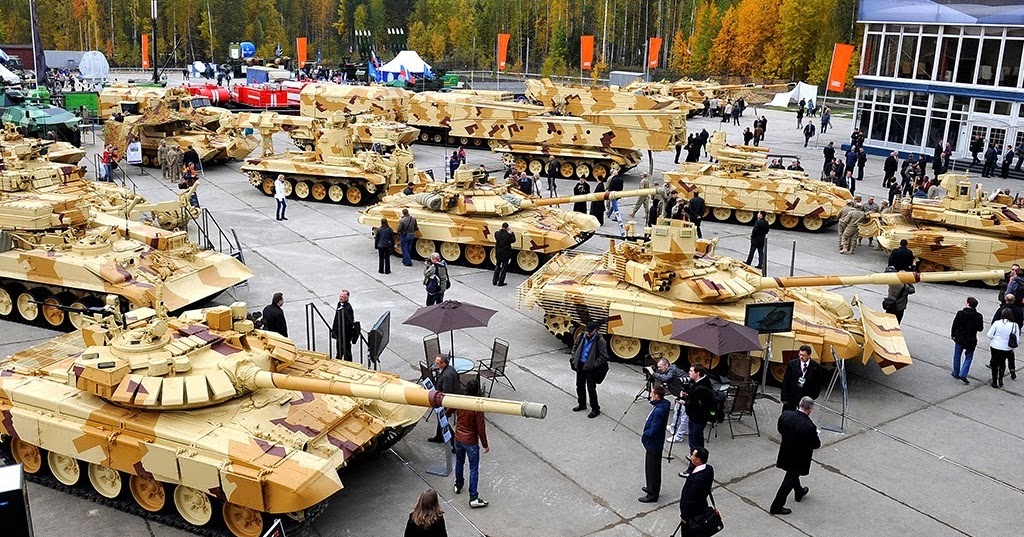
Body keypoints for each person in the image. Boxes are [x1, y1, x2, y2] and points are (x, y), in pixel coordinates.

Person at [770, 396, 821, 515]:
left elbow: (780, 429)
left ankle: (799, 491)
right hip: (799, 457)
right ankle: (776, 506)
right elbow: (816, 444)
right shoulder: (809, 426)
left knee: (792, 475)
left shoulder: (786, 415)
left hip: (785, 451)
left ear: (799, 404)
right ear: (810, 409)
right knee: (789, 479)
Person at [453, 379, 490, 508]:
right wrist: (485, 444)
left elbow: (448, 410)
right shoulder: (477, 406)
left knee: (459, 461)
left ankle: (458, 484)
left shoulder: (460, 401)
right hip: (471, 441)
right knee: (473, 468)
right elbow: (481, 428)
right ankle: (473, 497)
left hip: (458, 437)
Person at [678, 364, 712, 478]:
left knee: (695, 444)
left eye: (691, 371)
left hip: (697, 418)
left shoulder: (701, 388)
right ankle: (697, 457)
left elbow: (698, 406)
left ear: (698, 373)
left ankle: (692, 468)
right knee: (697, 442)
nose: (689, 372)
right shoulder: (700, 383)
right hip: (696, 417)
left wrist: (685, 402)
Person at [570, 321, 609, 419]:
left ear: (595, 330)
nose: (588, 333)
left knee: (591, 389)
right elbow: (575, 346)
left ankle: (595, 409)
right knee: (579, 386)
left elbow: (603, 356)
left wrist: (593, 365)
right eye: (587, 331)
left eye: (590, 332)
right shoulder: (581, 336)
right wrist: (574, 357)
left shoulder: (600, 341)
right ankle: (582, 404)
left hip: (591, 369)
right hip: (580, 365)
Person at [638, 384, 670, 503]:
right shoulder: (664, 404)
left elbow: (654, 429)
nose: (651, 395)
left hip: (653, 443)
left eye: (652, 393)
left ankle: (652, 494)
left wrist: (646, 434)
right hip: (657, 442)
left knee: (652, 469)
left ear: (657, 396)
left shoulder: (658, 411)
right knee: (654, 468)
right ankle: (652, 487)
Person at [649, 358, 688, 443]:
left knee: (684, 417)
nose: (659, 369)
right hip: (679, 395)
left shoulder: (671, 370)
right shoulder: (670, 370)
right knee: (677, 411)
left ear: (666, 365)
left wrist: (653, 374)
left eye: (660, 367)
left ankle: (679, 436)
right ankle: (673, 427)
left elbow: (667, 378)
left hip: (685, 395)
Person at [426, 354, 460, 444]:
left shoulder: (447, 375)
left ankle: (454, 442)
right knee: (440, 419)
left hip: (446, 401)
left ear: (443, 363)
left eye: (437, 363)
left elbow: (447, 391)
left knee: (443, 420)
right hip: (446, 398)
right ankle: (439, 437)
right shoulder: (449, 369)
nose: (435, 365)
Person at [679, 447, 715, 531]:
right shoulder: (709, 469)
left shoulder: (698, 479)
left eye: (693, 455)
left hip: (693, 513)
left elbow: (692, 499)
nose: (691, 457)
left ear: (698, 460)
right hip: (702, 506)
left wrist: (684, 515)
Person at [781, 345, 825, 412]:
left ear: (809, 355)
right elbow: (785, 381)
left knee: (801, 416)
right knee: (788, 415)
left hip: (805, 397)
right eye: (800, 354)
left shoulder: (816, 367)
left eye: (803, 355)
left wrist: (812, 397)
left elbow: (818, 384)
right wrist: (784, 398)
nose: (801, 357)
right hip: (791, 396)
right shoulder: (792, 364)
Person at [950, 297, 984, 384]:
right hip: (971, 339)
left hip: (960, 337)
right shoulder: (978, 316)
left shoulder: (960, 313)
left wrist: (953, 334)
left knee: (957, 355)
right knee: (969, 356)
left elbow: (955, 325)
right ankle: (963, 373)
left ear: (968, 304)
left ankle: (956, 372)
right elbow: (980, 328)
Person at [988, 308, 1018, 388]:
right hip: (1007, 348)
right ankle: (1000, 380)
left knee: (994, 364)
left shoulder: (997, 323)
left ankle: (994, 381)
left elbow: (989, 334)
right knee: (1002, 363)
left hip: (995, 346)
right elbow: (1017, 339)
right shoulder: (1014, 325)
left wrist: (995, 338)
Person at [331, 290, 356, 361]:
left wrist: (346, 335)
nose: (340, 298)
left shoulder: (348, 308)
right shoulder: (339, 304)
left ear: (347, 298)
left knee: (346, 351)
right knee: (339, 349)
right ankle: (338, 360)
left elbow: (349, 322)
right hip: (339, 333)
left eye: (342, 297)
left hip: (345, 335)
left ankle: (348, 362)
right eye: (340, 296)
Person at [492, 222, 515, 286]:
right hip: (505, 254)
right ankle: (500, 282)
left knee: (497, 266)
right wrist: (512, 233)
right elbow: (513, 240)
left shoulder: (496, 233)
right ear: (507, 228)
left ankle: (494, 281)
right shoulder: (508, 235)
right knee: (504, 268)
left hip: (498, 253)